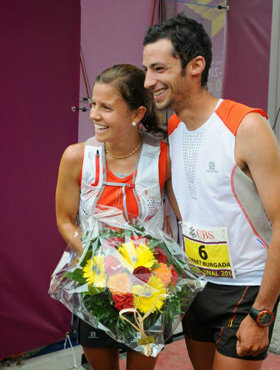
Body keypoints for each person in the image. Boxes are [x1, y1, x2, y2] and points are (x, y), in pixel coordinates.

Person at [142, 13, 280, 370]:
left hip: (245, 290)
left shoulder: (246, 125)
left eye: (158, 69)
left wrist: (263, 313)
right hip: (196, 285)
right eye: (146, 70)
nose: (148, 81)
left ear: (196, 65)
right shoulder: (171, 126)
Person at [55, 63, 179, 370]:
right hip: (96, 285)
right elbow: (65, 220)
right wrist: (102, 264)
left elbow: (183, 219)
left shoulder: (163, 157)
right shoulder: (77, 157)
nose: (94, 115)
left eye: (106, 107)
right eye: (93, 105)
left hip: (149, 287)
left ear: (137, 114)